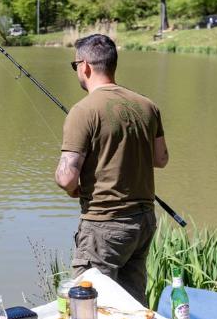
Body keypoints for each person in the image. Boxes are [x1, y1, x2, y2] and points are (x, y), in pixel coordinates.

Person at [54, 34, 169, 305]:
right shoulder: (147, 106)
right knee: (132, 305)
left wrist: (73, 188)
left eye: (75, 66)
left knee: (88, 304)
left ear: (85, 66)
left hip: (104, 225)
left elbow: (66, 176)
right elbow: (161, 158)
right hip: (142, 222)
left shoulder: (83, 111)